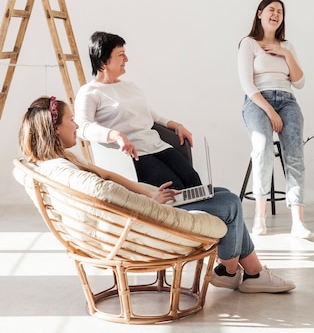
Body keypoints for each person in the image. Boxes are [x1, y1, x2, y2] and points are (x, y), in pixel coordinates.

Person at [19, 96, 295, 293]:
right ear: (55, 129)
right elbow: (105, 191)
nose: (76, 126)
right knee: (231, 203)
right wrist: (151, 202)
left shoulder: (57, 163)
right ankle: (238, 272)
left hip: (144, 208)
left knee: (219, 193)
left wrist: (148, 193)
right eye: (71, 121)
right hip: (144, 223)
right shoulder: (65, 169)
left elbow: (108, 178)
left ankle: (241, 272)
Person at [74, 31, 198, 191]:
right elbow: (82, 127)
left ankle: (205, 215)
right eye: (121, 55)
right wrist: (116, 135)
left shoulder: (131, 87)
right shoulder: (90, 92)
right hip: (133, 156)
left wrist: (177, 126)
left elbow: (152, 115)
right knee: (176, 191)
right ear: (103, 61)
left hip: (157, 145)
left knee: (195, 186)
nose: (126, 59)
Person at [237, 0, 312, 239]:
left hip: (288, 100)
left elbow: (299, 82)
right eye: (271, 9)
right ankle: (260, 218)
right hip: (258, 101)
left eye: (280, 11)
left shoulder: (287, 46)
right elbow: (247, 85)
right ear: (259, 14)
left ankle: (298, 221)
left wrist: (284, 53)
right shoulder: (248, 44)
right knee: (262, 148)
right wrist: (270, 111)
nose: (276, 14)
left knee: (295, 155)